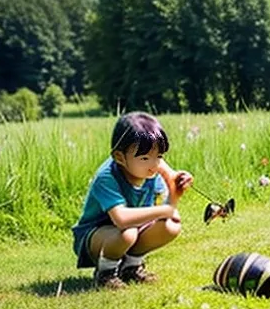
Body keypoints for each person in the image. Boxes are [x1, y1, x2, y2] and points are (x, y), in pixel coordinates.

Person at [71, 112, 193, 290]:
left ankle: (131, 267)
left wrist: (176, 182)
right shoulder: (106, 177)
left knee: (171, 225)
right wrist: (166, 210)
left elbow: (166, 202)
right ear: (120, 157)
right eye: (145, 157)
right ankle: (105, 273)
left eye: (158, 156)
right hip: (95, 237)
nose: (154, 164)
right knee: (128, 232)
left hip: (131, 230)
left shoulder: (151, 172)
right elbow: (121, 219)